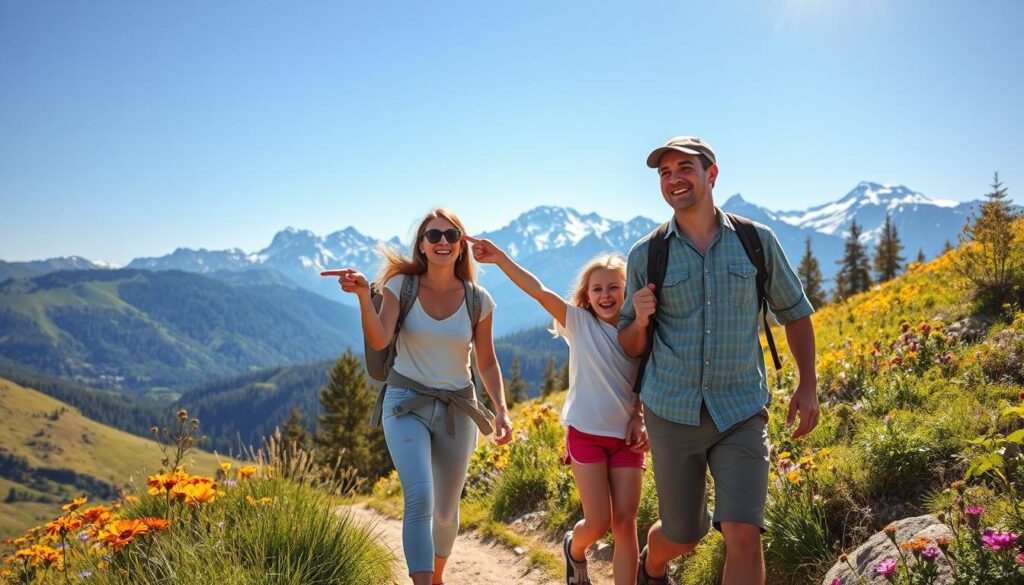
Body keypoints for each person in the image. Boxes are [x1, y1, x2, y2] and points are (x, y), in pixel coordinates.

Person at [617, 136, 819, 585]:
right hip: (672, 411)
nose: (674, 180)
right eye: (665, 173)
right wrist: (641, 319)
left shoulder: (755, 241)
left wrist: (808, 385)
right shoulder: (646, 255)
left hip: (741, 410)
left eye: (684, 168)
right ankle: (653, 563)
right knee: (684, 534)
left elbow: (796, 313)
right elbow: (630, 344)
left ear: (711, 174)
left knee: (743, 532)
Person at [333, 208, 513, 585]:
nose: (443, 241)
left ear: (462, 245)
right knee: (420, 498)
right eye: (434, 236)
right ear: (422, 245)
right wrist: (366, 297)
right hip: (404, 402)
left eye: (451, 235)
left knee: (446, 512)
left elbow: (487, 361)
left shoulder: (479, 300)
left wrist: (501, 409)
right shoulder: (401, 286)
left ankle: (437, 576)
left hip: (458, 407)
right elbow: (381, 339)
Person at [467, 235, 648, 585]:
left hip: (627, 438)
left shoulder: (641, 331)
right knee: (597, 523)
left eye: (614, 287)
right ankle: (574, 549)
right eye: (597, 289)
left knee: (625, 522)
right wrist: (501, 258)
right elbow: (537, 290)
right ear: (587, 294)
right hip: (586, 434)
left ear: (628, 291)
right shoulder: (578, 323)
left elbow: (647, 380)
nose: (605, 295)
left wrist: (641, 417)